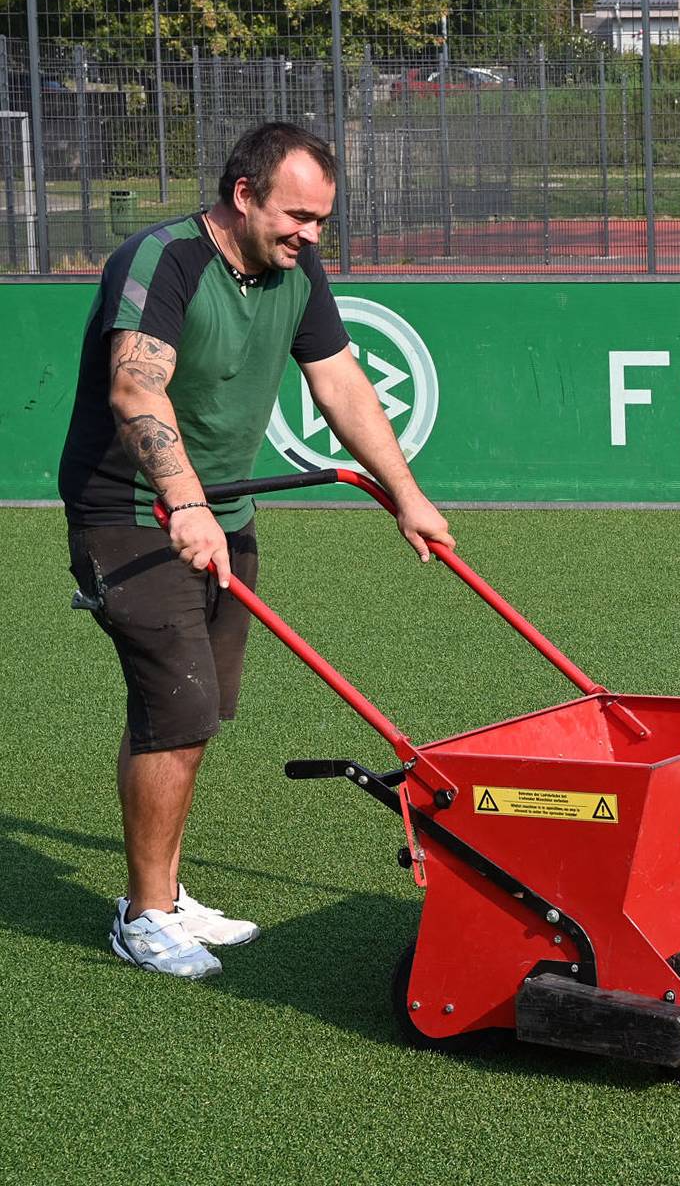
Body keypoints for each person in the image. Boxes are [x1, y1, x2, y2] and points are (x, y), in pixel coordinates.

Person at [59, 122, 453, 980]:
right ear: (244, 195)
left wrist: (406, 496)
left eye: (322, 222)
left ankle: (161, 889)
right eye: (298, 216)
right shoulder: (160, 261)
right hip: (128, 511)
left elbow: (341, 379)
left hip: (225, 509)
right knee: (180, 707)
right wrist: (185, 499)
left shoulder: (294, 268)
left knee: (191, 713)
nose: (312, 236)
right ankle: (144, 914)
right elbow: (136, 385)